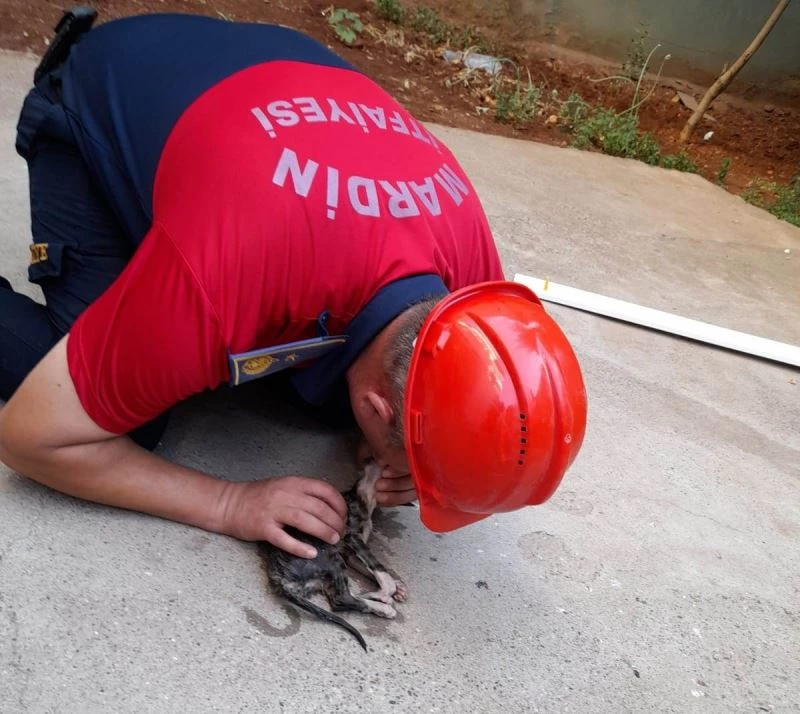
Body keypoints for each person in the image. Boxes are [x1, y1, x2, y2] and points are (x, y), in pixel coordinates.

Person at [0, 10, 588, 559]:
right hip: (96, 95)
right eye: (410, 473)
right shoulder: (229, 279)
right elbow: (32, 439)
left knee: (324, 389)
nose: (406, 487)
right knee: (126, 421)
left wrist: (390, 443)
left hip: (267, 69)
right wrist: (231, 503)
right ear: (374, 407)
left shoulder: (478, 295)